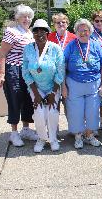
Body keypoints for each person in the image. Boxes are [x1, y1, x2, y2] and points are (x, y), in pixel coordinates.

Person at [62, 19, 102, 149]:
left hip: (93, 83)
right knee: (75, 111)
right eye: (80, 30)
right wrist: (63, 86)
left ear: (90, 31)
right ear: (76, 32)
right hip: (74, 84)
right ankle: (78, 136)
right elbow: (63, 66)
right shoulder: (71, 45)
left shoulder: (95, 45)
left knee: (92, 111)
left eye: (86, 30)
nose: (83, 33)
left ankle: (89, 135)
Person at [0, 4, 38, 147]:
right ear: (17, 18)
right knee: (15, 99)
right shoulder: (11, 32)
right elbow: (3, 54)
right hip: (13, 70)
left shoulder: (30, 34)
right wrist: (2, 73)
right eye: (23, 16)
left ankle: (26, 129)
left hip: (27, 71)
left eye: (28, 16)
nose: (26, 19)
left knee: (28, 99)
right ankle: (14, 133)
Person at [22, 19, 65, 152]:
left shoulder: (55, 48)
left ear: (47, 33)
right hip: (36, 87)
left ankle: (52, 139)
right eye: (36, 31)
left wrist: (53, 93)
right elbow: (25, 72)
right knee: (39, 113)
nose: (39, 33)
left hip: (53, 86)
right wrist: (36, 94)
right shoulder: (28, 49)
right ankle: (41, 138)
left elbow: (60, 71)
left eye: (42, 31)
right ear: (33, 33)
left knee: (52, 112)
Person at [47, 13, 76, 115]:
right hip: (53, 74)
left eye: (63, 22)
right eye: (57, 22)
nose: (61, 24)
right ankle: (55, 129)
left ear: (67, 24)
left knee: (69, 102)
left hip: (69, 73)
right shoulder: (49, 37)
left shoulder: (74, 37)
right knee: (54, 103)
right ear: (54, 25)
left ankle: (73, 128)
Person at [89, 11, 102, 132]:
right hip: (95, 69)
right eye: (97, 20)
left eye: (101, 20)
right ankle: (95, 121)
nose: (99, 23)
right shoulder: (90, 34)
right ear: (93, 21)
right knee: (95, 97)